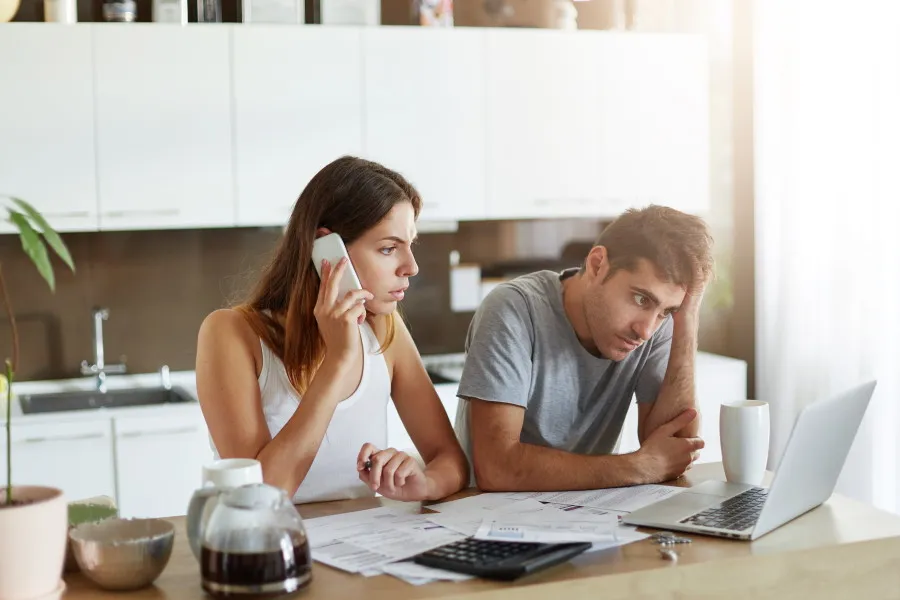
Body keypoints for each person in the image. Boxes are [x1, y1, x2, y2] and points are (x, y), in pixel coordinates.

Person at [196, 156, 468, 503]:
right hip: (273, 552)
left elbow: (451, 459)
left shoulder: (384, 328)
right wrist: (338, 361)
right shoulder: (231, 334)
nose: (411, 267)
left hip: (364, 549)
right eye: (388, 248)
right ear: (327, 249)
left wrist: (424, 482)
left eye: (410, 245)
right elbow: (259, 499)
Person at [455, 205, 714, 491]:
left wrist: (687, 320)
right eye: (641, 299)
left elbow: (676, 450)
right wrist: (639, 466)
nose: (646, 330)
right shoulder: (513, 309)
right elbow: (497, 469)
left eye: (668, 311)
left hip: (588, 517)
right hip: (486, 519)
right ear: (597, 265)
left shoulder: (656, 324)